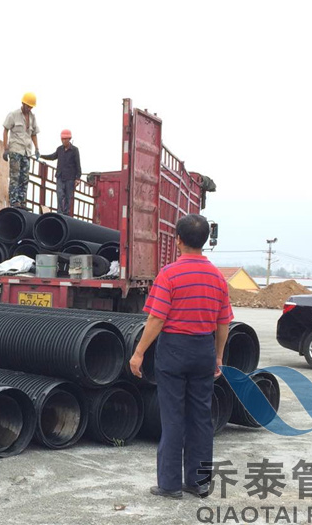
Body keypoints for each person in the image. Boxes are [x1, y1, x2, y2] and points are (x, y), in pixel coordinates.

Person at [129, 214, 232, 500]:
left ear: (178, 240)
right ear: (205, 241)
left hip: (174, 350)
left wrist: (139, 352)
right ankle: (199, 483)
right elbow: (224, 322)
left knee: (173, 416)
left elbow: (156, 319)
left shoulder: (169, 274)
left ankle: (170, 485)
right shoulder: (217, 277)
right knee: (201, 417)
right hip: (203, 349)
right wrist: (218, 356)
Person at [2, 92, 40, 208]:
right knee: (15, 176)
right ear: (23, 103)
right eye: (28, 106)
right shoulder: (13, 115)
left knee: (24, 178)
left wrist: (37, 148)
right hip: (15, 150)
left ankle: (22, 202)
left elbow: (34, 134)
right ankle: (14, 201)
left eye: (31, 107)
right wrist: (6, 148)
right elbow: (5, 130)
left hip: (26, 152)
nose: (29, 108)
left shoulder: (32, 118)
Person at [42, 129, 82, 215]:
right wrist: (42, 156)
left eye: (65, 139)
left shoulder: (75, 150)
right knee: (59, 195)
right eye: (62, 139)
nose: (63, 141)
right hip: (60, 176)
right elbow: (53, 156)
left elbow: (78, 164)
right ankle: (59, 212)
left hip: (70, 178)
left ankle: (66, 214)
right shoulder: (59, 149)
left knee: (68, 197)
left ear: (69, 139)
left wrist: (78, 178)